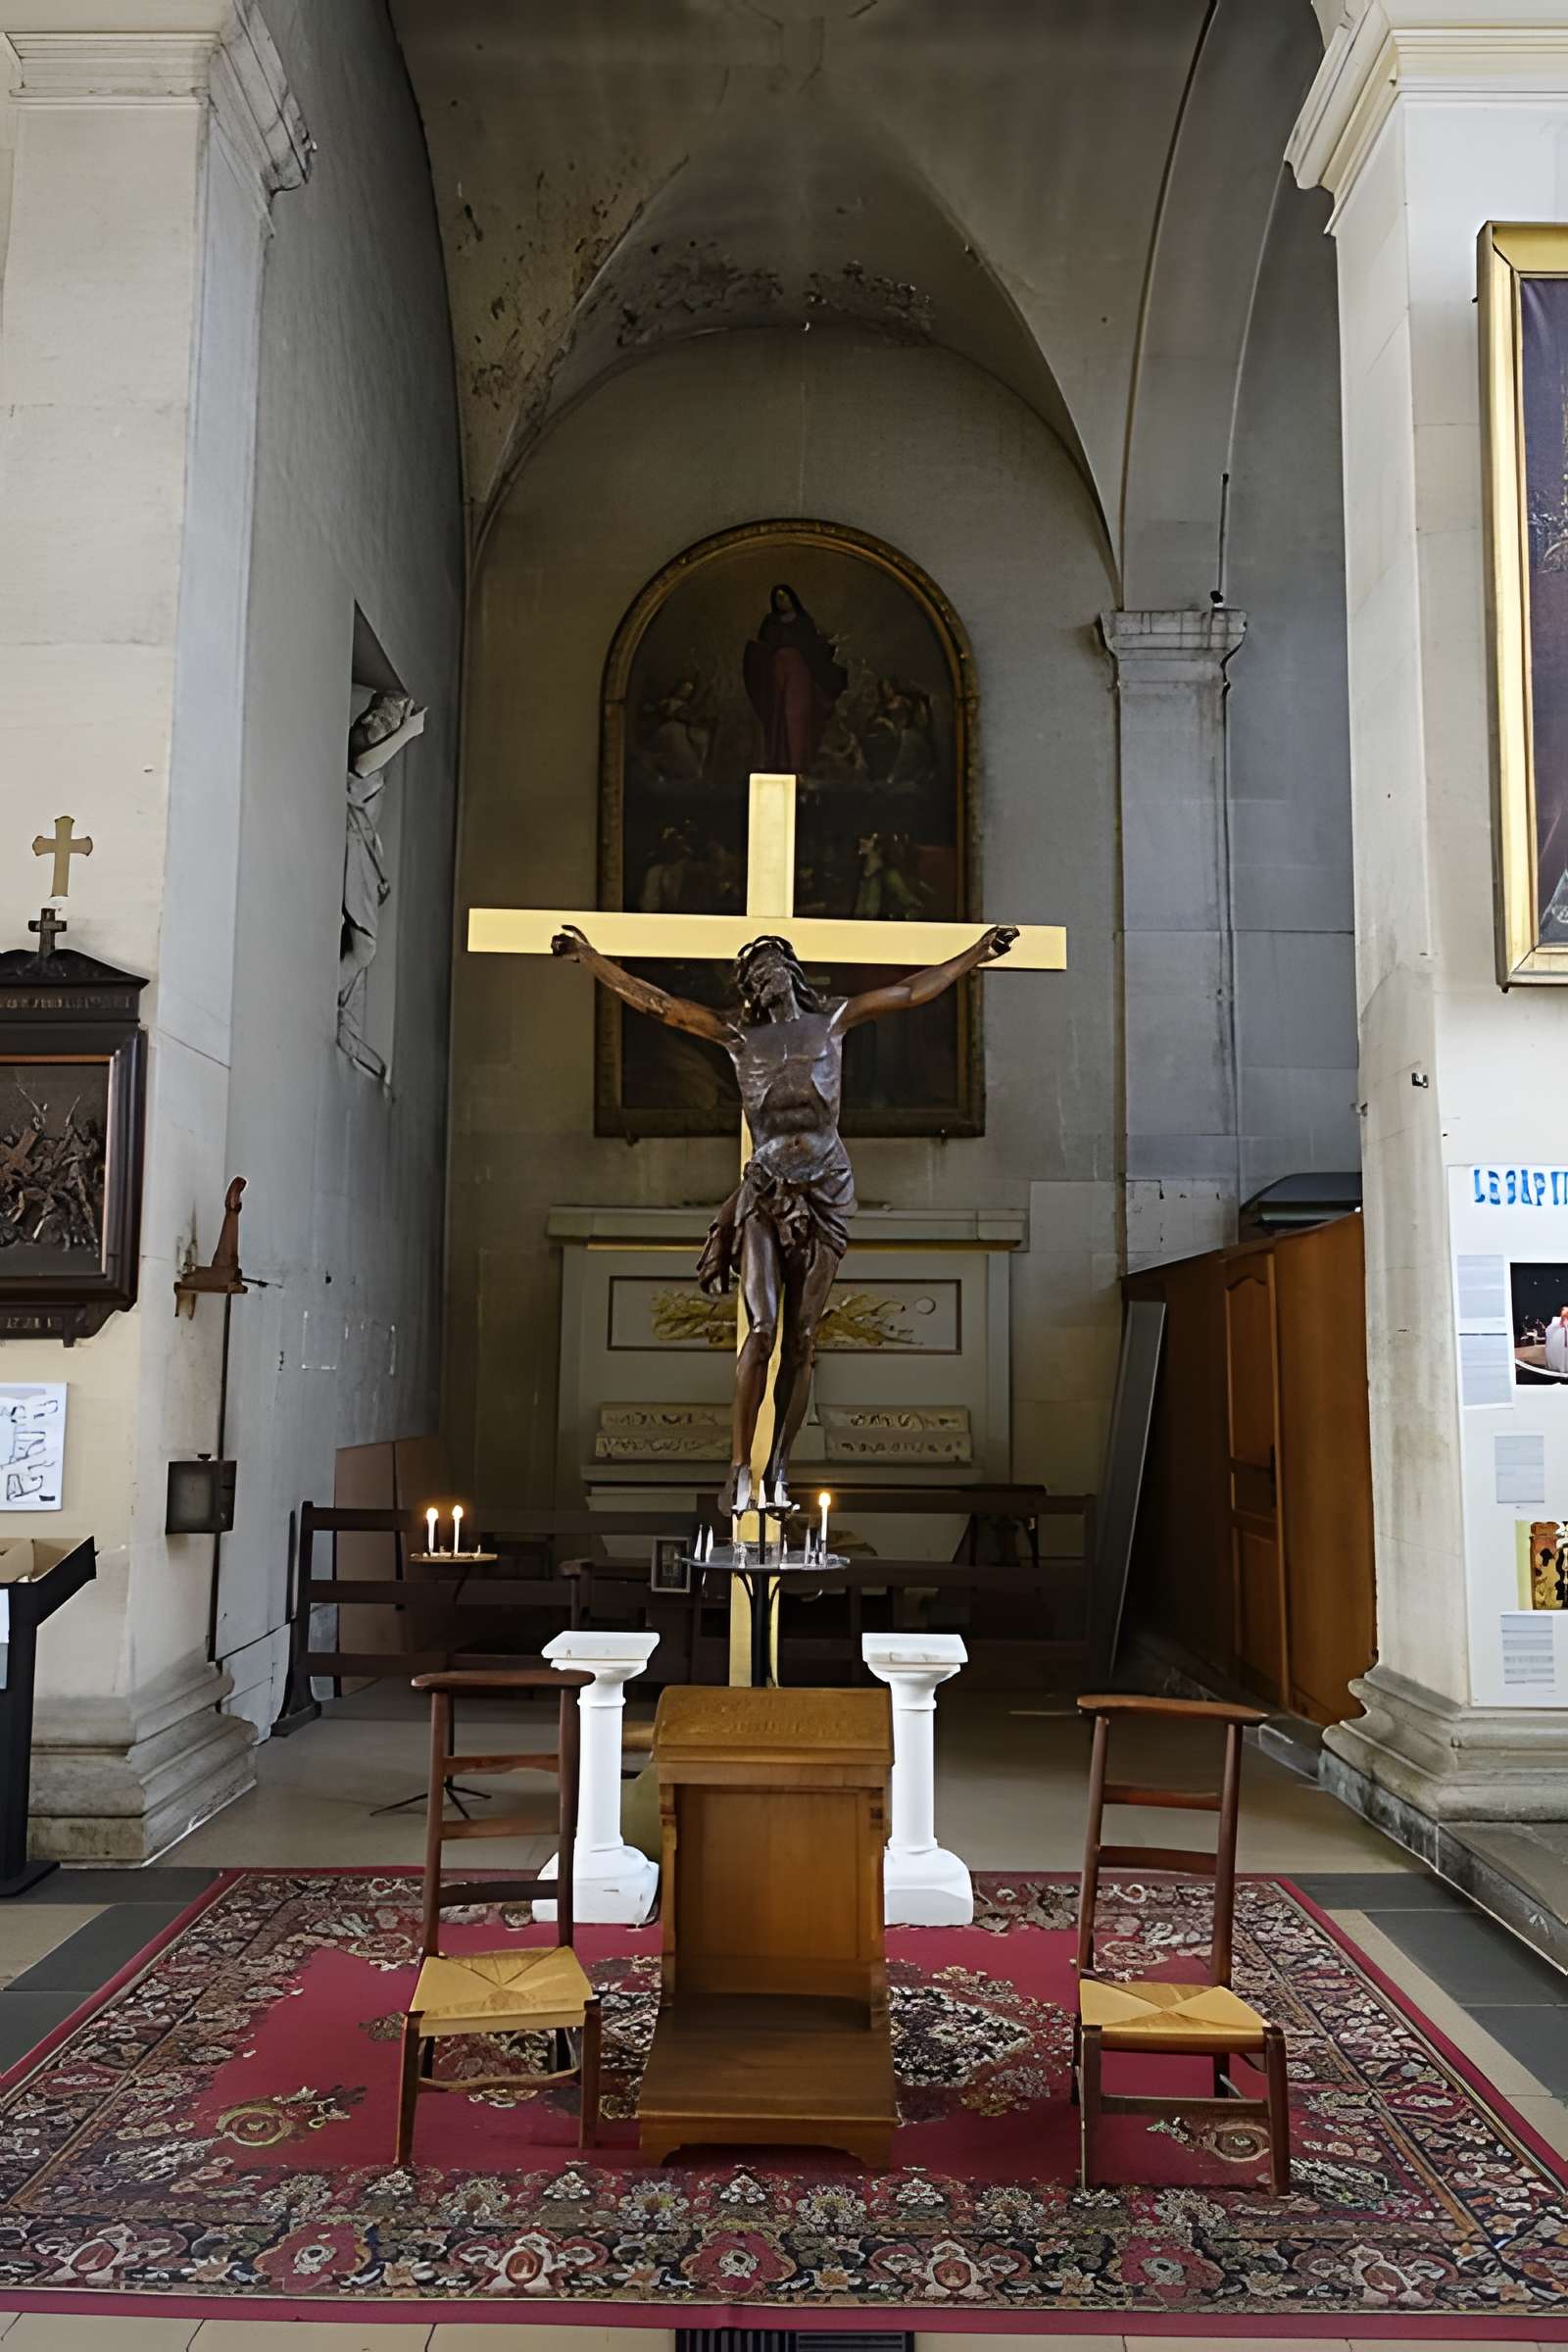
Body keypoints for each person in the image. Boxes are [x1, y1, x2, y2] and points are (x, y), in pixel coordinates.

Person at [551, 919, 1017, 1512]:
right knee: (762, 1330)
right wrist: (591, 959)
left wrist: (976, 954)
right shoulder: (739, 1037)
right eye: (752, 975)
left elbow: (908, 992)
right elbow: (659, 1004)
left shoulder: (833, 1021)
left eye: (770, 967)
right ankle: (738, 1468)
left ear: (792, 973)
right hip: (766, 1190)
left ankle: (779, 1468)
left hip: (826, 1189)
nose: (762, 979)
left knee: (801, 1339)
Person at [742, 584, 848, 775]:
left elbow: (813, 646)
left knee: (795, 715)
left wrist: (827, 644)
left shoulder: (803, 622)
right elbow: (764, 646)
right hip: (777, 673)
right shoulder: (771, 622)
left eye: (784, 596)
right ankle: (779, 763)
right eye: (777, 597)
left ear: (792, 598)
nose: (781, 601)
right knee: (778, 716)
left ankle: (798, 765)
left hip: (799, 674)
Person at [1545, 1304, 1568, 1376]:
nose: (1565, 1311)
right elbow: (1550, 1330)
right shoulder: (1556, 1320)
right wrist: (1562, 1320)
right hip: (1560, 1346)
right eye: (1563, 1310)